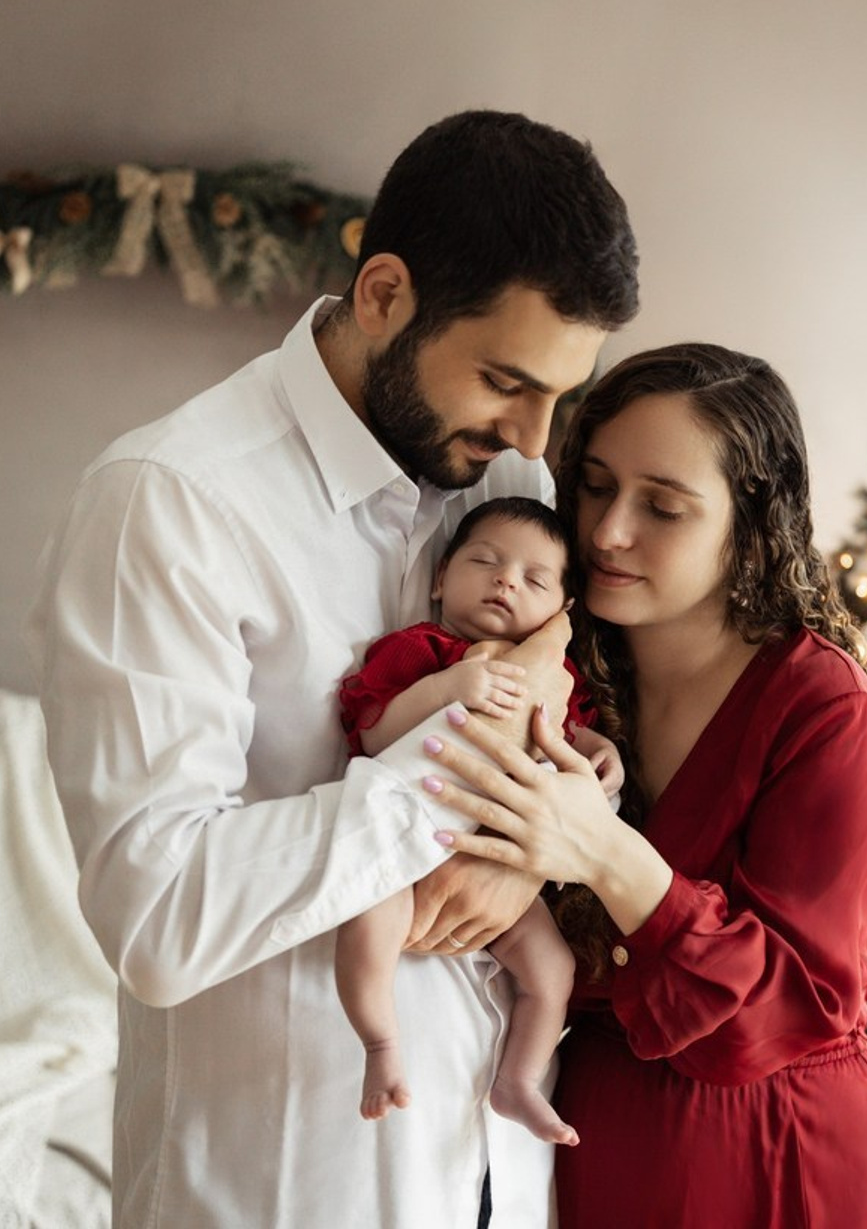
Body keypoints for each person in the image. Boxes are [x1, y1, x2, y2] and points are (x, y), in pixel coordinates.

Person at [28, 110, 638, 1229]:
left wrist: (537, 835)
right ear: (383, 294)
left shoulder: (502, 489)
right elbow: (158, 917)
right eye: (505, 377)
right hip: (289, 1186)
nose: (534, 441)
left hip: (497, 1169)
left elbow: (561, 717)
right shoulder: (169, 501)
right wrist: (455, 784)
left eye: (558, 393)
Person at [415, 343, 867, 1228]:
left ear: (751, 523)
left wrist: (604, 851)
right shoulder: (564, 658)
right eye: (597, 487)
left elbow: (794, 1008)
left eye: (664, 507)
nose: (609, 532)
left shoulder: (826, 712)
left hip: (777, 1156)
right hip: (594, 1146)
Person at [335, 497, 622, 1144]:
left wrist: (601, 755)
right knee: (368, 910)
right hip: (410, 854)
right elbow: (373, 733)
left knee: (552, 968)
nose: (505, 581)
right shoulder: (423, 651)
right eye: (486, 561)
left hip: (502, 861)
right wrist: (449, 690)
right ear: (440, 578)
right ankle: (380, 1042)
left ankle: (518, 1079)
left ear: (560, 611)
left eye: (534, 579)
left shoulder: (555, 674)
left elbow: (565, 738)